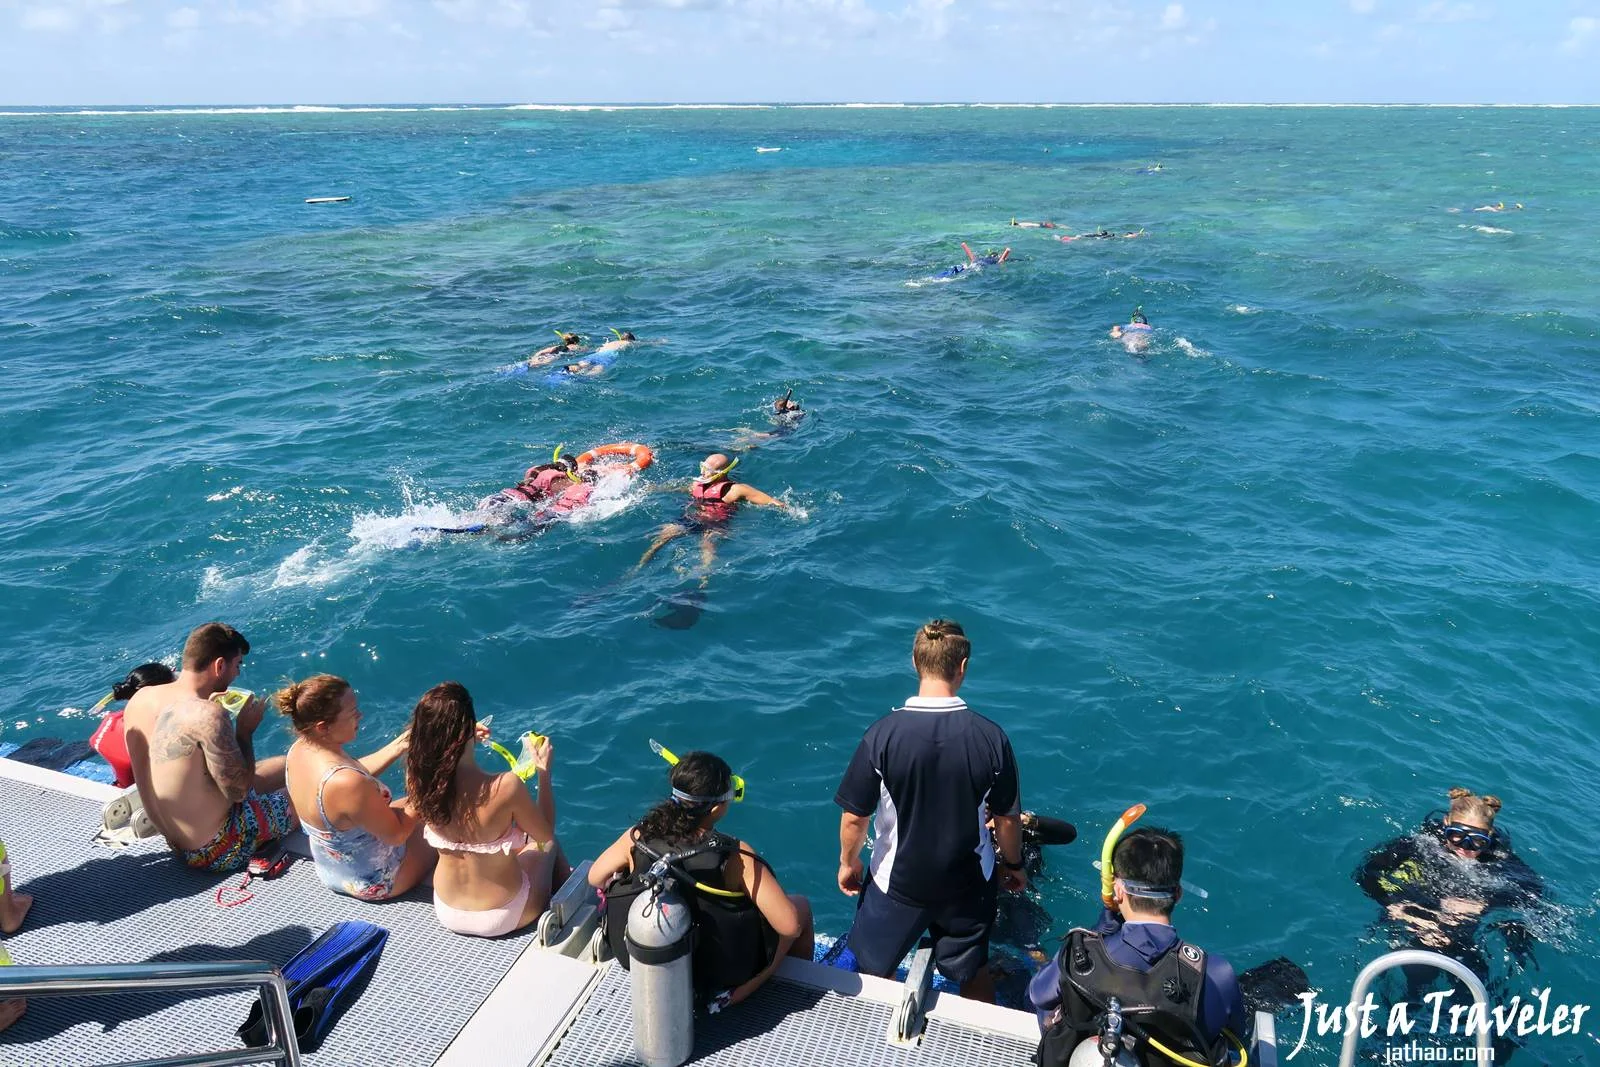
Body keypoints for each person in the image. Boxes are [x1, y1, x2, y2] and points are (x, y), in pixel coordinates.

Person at [835, 619, 1026, 1003]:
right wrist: (1013, 864)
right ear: (963, 666)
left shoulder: (882, 735)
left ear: (915, 662)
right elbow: (1006, 819)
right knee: (974, 974)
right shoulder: (991, 738)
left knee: (876, 970)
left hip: (897, 885)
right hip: (968, 884)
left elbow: (856, 817)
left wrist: (848, 862)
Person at [590, 750, 814, 1008]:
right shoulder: (735, 857)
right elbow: (789, 927)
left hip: (651, 959)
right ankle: (746, 992)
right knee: (801, 910)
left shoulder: (640, 836)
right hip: (718, 973)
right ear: (718, 807)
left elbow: (596, 876)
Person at [1031, 826, 1246, 1067]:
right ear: (1178, 894)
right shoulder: (1217, 973)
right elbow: (1235, 1036)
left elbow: (1038, 994)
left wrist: (1100, 935)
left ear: (1118, 891)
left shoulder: (1077, 954)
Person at [122, 623, 297, 873]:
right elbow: (238, 791)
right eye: (237, 665)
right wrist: (244, 732)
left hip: (174, 839)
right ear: (219, 666)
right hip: (217, 847)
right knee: (311, 791)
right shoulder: (207, 714)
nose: (237, 674)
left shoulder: (141, 698)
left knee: (285, 765)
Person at [404, 682, 569, 938]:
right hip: (503, 914)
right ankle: (570, 904)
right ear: (466, 732)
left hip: (447, 909)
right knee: (548, 846)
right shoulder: (505, 786)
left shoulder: (417, 780)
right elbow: (544, 835)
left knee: (513, 845)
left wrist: (464, 734)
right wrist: (544, 774)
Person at [1355, 788, 1542, 987]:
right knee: (1418, 977)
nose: (1465, 847)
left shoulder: (1498, 859)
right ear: (1446, 824)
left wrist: (1482, 904)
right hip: (1415, 912)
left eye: (1477, 840)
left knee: (1472, 982)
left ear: (1490, 835)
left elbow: (1533, 892)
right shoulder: (1422, 844)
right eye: (1456, 836)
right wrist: (1393, 904)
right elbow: (1367, 872)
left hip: (1462, 923)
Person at [278, 675, 435, 901]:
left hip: (332, 871)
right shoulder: (347, 784)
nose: (360, 716)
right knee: (443, 819)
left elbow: (353, 773)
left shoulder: (301, 749)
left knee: (405, 808)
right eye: (352, 713)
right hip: (375, 881)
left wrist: (399, 745)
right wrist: (429, 786)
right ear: (323, 727)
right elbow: (397, 835)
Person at [635, 453, 788, 580]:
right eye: (702, 466)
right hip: (690, 519)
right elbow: (679, 488)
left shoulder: (736, 490)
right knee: (661, 538)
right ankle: (639, 567)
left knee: (708, 548)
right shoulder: (697, 485)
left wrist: (786, 509)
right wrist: (653, 488)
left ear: (721, 473)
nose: (702, 472)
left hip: (715, 525)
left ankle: (703, 581)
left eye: (707, 470)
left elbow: (770, 501)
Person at [89, 662, 176, 787]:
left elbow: (95, 741)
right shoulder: (162, 732)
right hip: (147, 794)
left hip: (121, 786)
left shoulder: (112, 720)